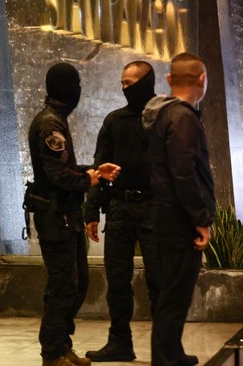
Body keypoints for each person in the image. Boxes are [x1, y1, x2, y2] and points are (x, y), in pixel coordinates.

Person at [26, 62, 120, 366]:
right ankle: (52, 352)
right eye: (75, 85)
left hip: (66, 216)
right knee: (62, 286)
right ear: (68, 89)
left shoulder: (56, 120)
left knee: (77, 285)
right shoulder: (50, 124)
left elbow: (63, 169)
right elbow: (55, 175)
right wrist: (88, 180)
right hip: (56, 217)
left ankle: (62, 344)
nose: (79, 91)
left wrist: (91, 172)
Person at [83, 61, 161, 362]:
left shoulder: (164, 119)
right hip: (119, 208)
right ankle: (119, 342)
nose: (125, 88)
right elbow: (99, 167)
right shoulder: (114, 120)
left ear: (146, 82)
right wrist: (91, 212)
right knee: (117, 280)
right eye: (122, 83)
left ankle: (165, 346)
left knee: (160, 281)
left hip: (155, 208)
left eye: (130, 83)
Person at [142, 52, 214, 366]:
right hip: (178, 216)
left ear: (170, 80)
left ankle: (171, 354)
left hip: (165, 212)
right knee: (175, 293)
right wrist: (200, 219)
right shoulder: (182, 116)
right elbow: (184, 173)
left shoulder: (161, 114)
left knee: (173, 290)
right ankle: (165, 360)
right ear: (202, 79)